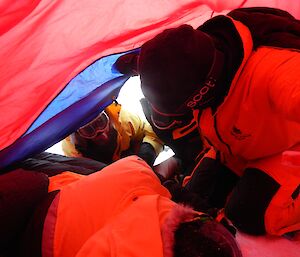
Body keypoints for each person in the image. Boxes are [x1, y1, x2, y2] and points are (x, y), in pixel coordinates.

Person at [115, 7, 300, 236]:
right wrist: (137, 65)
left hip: (285, 150)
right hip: (234, 149)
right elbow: (166, 60)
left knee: (249, 215)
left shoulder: (274, 71)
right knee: (187, 202)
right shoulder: (199, 54)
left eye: (183, 109)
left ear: (202, 91)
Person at [18, 155, 242, 257]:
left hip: (61, 191)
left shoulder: (135, 172)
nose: (100, 132)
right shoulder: (134, 173)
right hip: (57, 196)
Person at [62, 100, 164, 167]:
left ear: (107, 115)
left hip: (135, 160)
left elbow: (150, 130)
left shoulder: (124, 120)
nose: (103, 135)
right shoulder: (73, 152)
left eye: (101, 121)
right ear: (77, 134)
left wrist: (148, 151)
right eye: (89, 130)